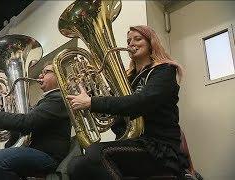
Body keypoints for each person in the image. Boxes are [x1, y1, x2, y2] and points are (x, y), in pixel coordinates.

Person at [66, 25, 189, 180]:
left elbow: (141, 102)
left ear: (151, 42)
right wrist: (88, 91)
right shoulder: (127, 79)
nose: (131, 43)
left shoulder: (164, 70)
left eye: (138, 39)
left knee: (91, 156)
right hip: (131, 144)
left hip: (157, 148)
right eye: (128, 41)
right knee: (75, 165)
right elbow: (110, 111)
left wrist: (93, 102)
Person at [0, 64, 71, 180]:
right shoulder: (43, 103)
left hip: (49, 156)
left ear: (60, 75)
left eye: (46, 72)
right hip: (32, 151)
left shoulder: (59, 99)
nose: (40, 75)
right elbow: (21, 130)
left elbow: (28, 122)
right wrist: (6, 109)